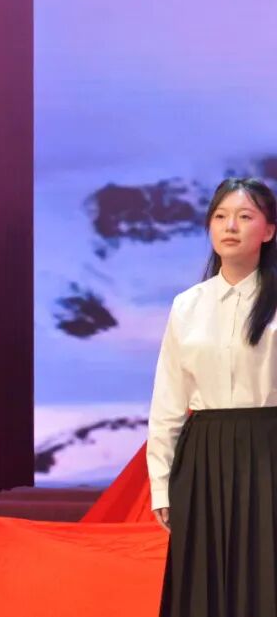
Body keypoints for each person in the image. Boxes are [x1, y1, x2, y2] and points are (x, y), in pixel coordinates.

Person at [147, 177, 277, 616]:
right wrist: (161, 485)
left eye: (245, 216)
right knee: (205, 581)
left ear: (269, 230)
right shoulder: (187, 305)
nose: (230, 226)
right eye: (220, 216)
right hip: (204, 455)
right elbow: (168, 400)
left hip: (269, 451)